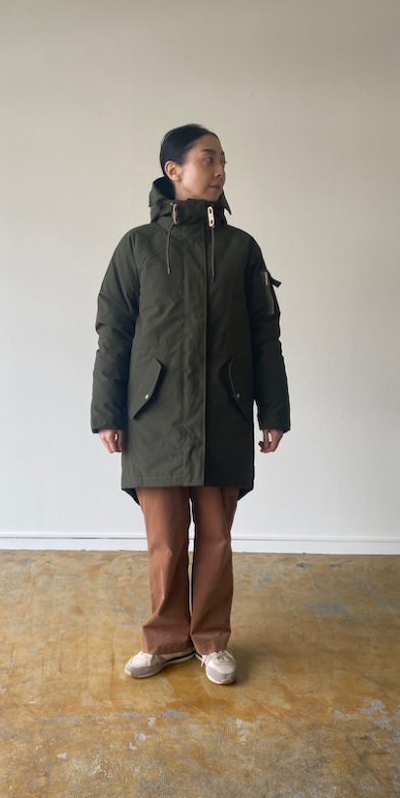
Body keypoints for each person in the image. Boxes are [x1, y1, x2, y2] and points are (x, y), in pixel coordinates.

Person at [91, 124, 290, 685]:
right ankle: (164, 640)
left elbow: (265, 335)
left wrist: (273, 412)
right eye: (209, 159)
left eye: (224, 160)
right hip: (153, 415)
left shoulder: (241, 249)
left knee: (217, 538)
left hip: (224, 410)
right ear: (173, 169)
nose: (221, 170)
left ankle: (211, 640)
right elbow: (113, 334)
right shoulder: (137, 246)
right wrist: (107, 413)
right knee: (164, 540)